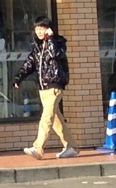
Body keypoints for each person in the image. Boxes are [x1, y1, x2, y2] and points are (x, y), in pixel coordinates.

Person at [12, 15, 77, 159]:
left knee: (46, 117)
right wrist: (18, 78)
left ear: (49, 29)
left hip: (54, 85)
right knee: (56, 120)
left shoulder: (58, 42)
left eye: (42, 28)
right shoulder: (37, 47)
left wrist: (51, 38)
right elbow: (28, 65)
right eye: (37, 28)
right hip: (43, 89)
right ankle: (71, 147)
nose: (39, 31)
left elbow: (55, 54)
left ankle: (38, 148)